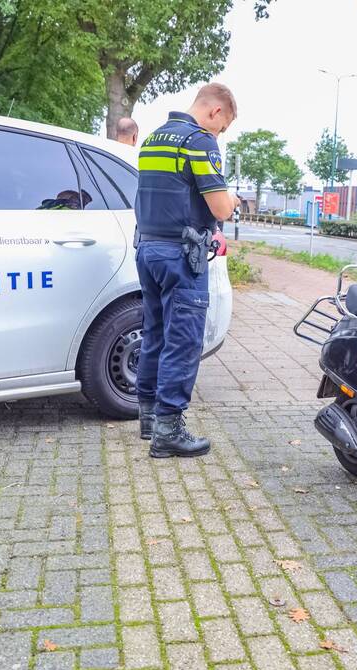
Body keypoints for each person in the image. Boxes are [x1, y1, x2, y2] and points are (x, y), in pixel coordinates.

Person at [133, 83, 241, 458]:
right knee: (183, 341)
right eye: (222, 127)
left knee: (155, 333)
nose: (219, 135)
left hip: (147, 249)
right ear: (215, 112)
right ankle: (169, 430)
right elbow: (221, 208)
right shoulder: (198, 141)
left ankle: (148, 418)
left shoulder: (151, 140)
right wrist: (231, 198)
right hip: (181, 255)